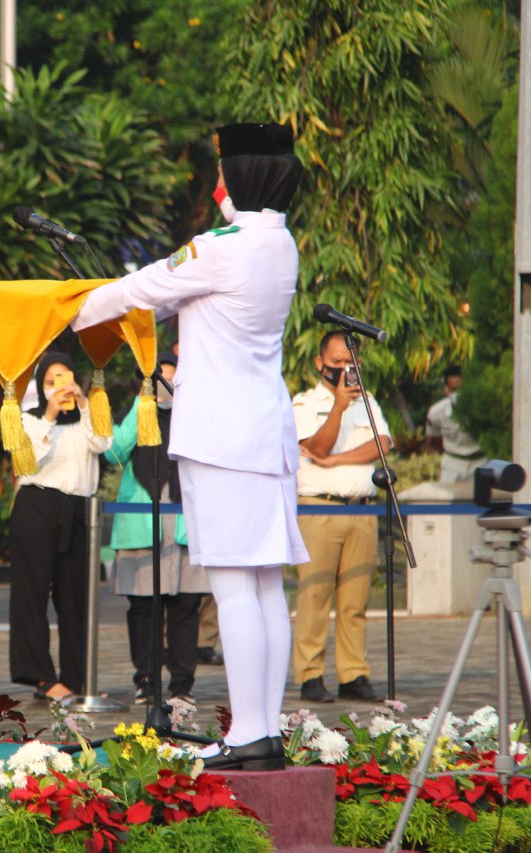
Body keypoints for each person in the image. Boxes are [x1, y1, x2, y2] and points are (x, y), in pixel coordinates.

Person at [74, 122, 308, 771]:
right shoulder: (280, 242)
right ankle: (263, 727)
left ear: (238, 178)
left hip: (224, 437)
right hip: (263, 431)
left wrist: (66, 308)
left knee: (233, 585)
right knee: (264, 584)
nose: (216, 182)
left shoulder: (221, 246)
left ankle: (250, 734)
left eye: (222, 171)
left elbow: (139, 290)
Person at [291, 331, 391, 704]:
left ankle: (353, 673)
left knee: (355, 600)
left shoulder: (367, 400)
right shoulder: (304, 403)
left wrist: (336, 460)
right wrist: (337, 408)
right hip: (320, 509)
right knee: (314, 596)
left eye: (350, 364)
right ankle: (311, 674)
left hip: (362, 509)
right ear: (320, 364)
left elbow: (383, 443)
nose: (344, 371)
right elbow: (316, 446)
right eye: (336, 364)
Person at [8, 352, 112, 703]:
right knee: (32, 595)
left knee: (77, 598)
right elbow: (27, 459)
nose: (59, 387)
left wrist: (83, 404)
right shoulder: (28, 419)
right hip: (37, 505)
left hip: (79, 510)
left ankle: (78, 678)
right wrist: (50, 413)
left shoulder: (87, 415)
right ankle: (41, 677)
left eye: (64, 378)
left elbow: (103, 444)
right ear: (41, 385)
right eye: (51, 381)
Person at [105, 354, 207, 704]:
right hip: (140, 520)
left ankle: (182, 684)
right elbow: (114, 452)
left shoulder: (195, 416)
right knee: (143, 609)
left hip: (184, 521)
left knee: (185, 607)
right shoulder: (133, 412)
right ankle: (146, 680)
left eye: (170, 381)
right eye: (157, 379)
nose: (164, 387)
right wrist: (143, 403)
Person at [424, 365, 483, 483]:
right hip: (452, 464)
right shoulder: (436, 412)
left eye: (462, 389)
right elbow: (433, 439)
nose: (458, 395)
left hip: (480, 461)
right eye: (454, 390)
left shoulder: (482, 409)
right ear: (446, 390)